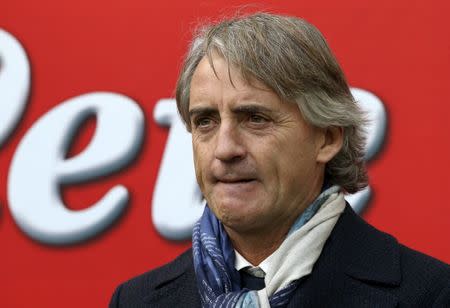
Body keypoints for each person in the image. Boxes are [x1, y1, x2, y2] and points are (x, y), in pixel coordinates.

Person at [110, 12, 450, 307]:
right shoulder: (136, 300)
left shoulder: (431, 294)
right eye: (205, 122)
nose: (225, 149)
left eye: (255, 118)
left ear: (328, 138)